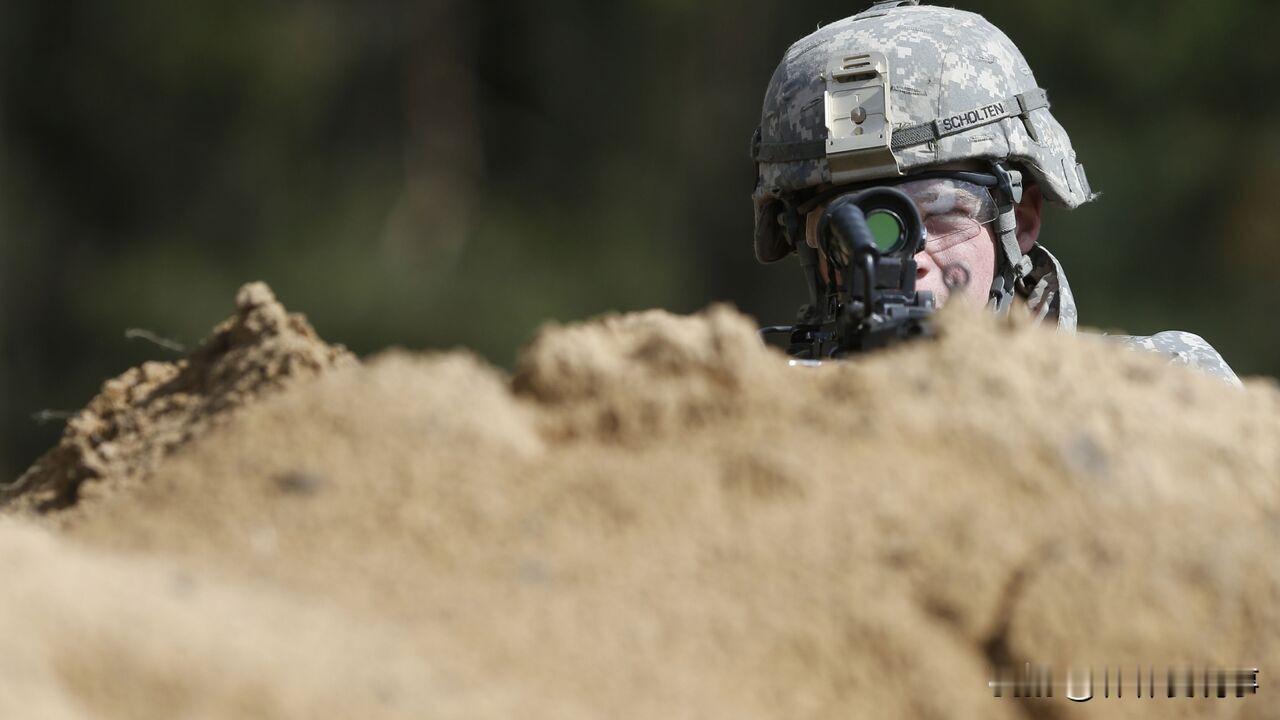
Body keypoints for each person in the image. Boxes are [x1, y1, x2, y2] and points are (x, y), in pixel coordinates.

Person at [749, 0, 1240, 385]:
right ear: (807, 245)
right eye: (850, 227)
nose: (903, 257)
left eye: (941, 212)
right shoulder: (728, 406)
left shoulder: (1158, 392)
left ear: (1022, 219)